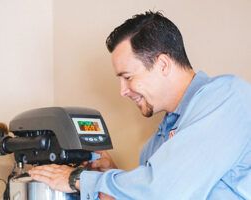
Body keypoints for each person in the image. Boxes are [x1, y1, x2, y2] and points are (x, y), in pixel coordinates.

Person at [29, 11, 251, 199]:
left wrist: (75, 179)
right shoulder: (158, 141)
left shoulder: (227, 97)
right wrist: (111, 172)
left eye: (127, 77)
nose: (122, 90)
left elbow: (164, 191)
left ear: (163, 64)